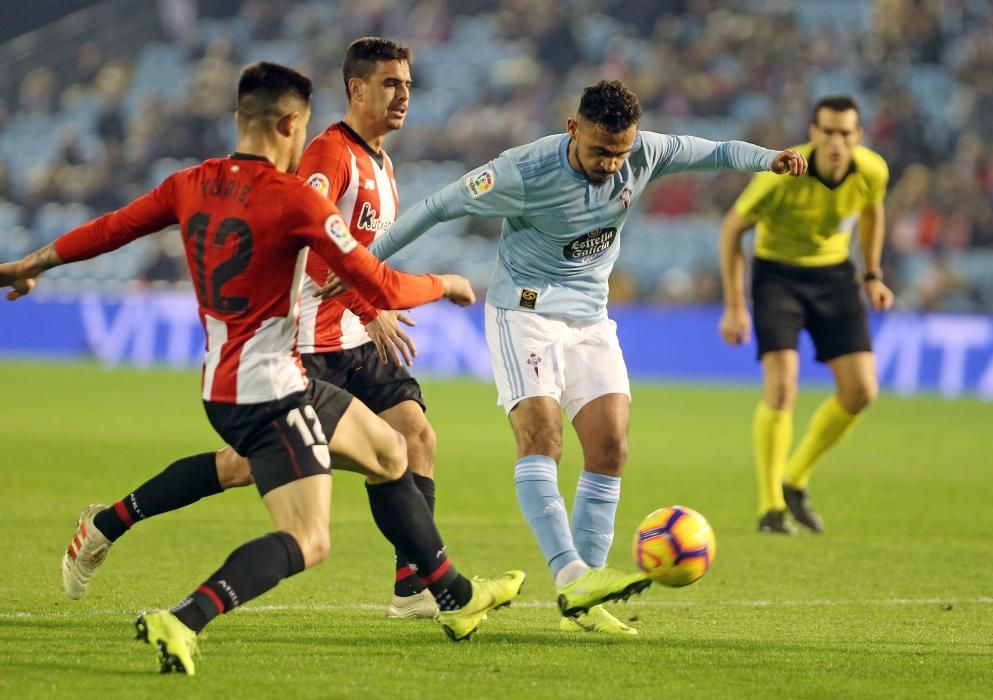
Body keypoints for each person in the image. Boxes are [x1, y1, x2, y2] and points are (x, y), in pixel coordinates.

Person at [1, 62, 525, 675]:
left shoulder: (189, 183)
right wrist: (447, 283)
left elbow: (113, 229)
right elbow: (378, 280)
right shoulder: (296, 199)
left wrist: (32, 262)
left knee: (391, 451)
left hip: (230, 379)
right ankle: (185, 616)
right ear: (289, 123)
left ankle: (454, 596)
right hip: (272, 390)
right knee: (309, 538)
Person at [334, 80, 807, 634]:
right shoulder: (522, 172)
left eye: (620, 152)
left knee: (610, 446)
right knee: (543, 436)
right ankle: (570, 576)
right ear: (572, 129)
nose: (612, 164)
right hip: (524, 314)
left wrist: (769, 159)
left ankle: (584, 602)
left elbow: (718, 153)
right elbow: (438, 207)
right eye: (600, 151)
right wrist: (360, 265)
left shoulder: (644, 154)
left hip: (591, 319)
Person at [57, 36, 444, 622]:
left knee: (415, 438)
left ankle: (413, 587)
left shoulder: (383, 162)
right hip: (307, 344)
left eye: (408, 86)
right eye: (392, 84)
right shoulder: (328, 156)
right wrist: (373, 304)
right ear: (356, 88)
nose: (403, 97)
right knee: (240, 467)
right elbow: (314, 255)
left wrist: (366, 311)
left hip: (353, 342)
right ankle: (108, 522)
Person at [717, 95, 893, 534]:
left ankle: (794, 479)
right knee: (782, 386)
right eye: (828, 131)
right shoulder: (781, 176)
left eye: (846, 133)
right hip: (777, 275)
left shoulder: (873, 171)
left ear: (858, 137)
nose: (837, 141)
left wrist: (872, 273)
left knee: (861, 391)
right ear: (813, 134)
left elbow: (873, 210)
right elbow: (732, 229)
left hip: (834, 275)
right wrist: (736, 305)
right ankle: (770, 507)